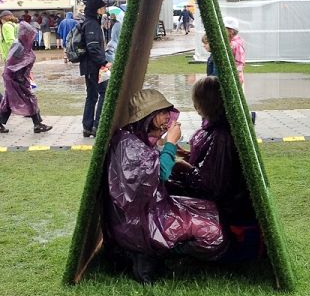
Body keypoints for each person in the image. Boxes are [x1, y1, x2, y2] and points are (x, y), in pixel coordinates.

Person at [104, 88, 229, 284]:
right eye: (162, 112)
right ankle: (149, 252)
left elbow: (148, 164)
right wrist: (170, 143)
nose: (167, 118)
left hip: (152, 209)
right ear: (148, 115)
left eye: (167, 111)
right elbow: (159, 173)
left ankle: (151, 250)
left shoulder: (133, 137)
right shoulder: (128, 144)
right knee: (214, 234)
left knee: (210, 209)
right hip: (140, 223)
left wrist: (174, 158)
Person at [173, 76, 262, 261]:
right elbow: (213, 165)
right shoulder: (218, 129)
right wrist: (190, 156)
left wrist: (187, 169)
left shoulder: (221, 136)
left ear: (205, 102)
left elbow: (213, 186)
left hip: (226, 207)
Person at [0, 22, 52, 134]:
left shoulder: (22, 45)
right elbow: (13, 64)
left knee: (9, 100)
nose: (33, 37)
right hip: (15, 79)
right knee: (30, 98)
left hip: (17, 78)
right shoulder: (19, 46)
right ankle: (37, 124)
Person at [79, 0, 112, 137]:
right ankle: (97, 124)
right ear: (97, 9)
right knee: (103, 93)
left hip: (89, 66)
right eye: (103, 7)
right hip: (94, 67)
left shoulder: (91, 23)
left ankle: (87, 126)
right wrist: (104, 62)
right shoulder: (91, 24)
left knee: (91, 96)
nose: (105, 9)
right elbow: (93, 47)